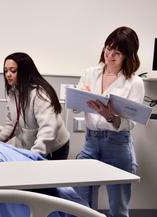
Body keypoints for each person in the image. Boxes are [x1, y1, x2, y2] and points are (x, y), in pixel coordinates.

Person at [75, 26, 144, 217]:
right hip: (90, 142)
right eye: (108, 48)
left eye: (117, 53)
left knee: (118, 209)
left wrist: (110, 116)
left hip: (118, 144)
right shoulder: (90, 73)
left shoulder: (134, 82)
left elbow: (130, 123)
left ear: (127, 56)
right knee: (79, 203)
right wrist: (79, 99)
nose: (109, 55)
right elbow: (75, 105)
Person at [0, 52, 70, 160]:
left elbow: (48, 129)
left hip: (53, 148)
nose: (8, 74)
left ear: (24, 71)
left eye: (13, 70)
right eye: (5, 71)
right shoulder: (13, 92)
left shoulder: (40, 94)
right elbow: (12, 124)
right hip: (33, 146)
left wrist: (34, 155)